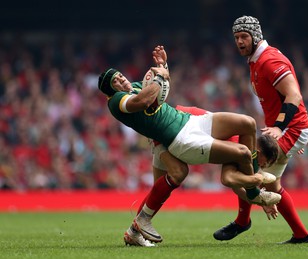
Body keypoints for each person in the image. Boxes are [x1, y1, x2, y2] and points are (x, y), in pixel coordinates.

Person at [97, 52, 281, 243]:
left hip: (189, 120)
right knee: (237, 154)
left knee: (248, 122)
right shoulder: (117, 101)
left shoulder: (135, 87)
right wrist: (160, 76)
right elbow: (145, 100)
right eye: (115, 81)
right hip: (180, 136)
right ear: (111, 90)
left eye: (120, 75)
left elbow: (160, 91)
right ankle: (254, 193)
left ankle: (136, 230)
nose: (121, 79)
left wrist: (163, 66)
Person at [213, 15, 308, 244]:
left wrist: (281, 129)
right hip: (289, 130)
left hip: (291, 128)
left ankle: (243, 221)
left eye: (244, 37)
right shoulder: (255, 60)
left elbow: (294, 95)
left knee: (245, 161)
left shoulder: (269, 61)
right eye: (236, 37)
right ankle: (301, 235)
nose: (239, 41)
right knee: (271, 183)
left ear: (255, 36)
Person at [124, 104, 280, 247]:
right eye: (263, 164)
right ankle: (136, 228)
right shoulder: (238, 145)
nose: (260, 167)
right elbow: (229, 180)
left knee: (160, 189)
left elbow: (235, 183)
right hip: (175, 128)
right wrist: (258, 193)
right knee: (173, 178)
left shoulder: (240, 138)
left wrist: (258, 197)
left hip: (171, 124)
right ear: (258, 152)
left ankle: (134, 231)